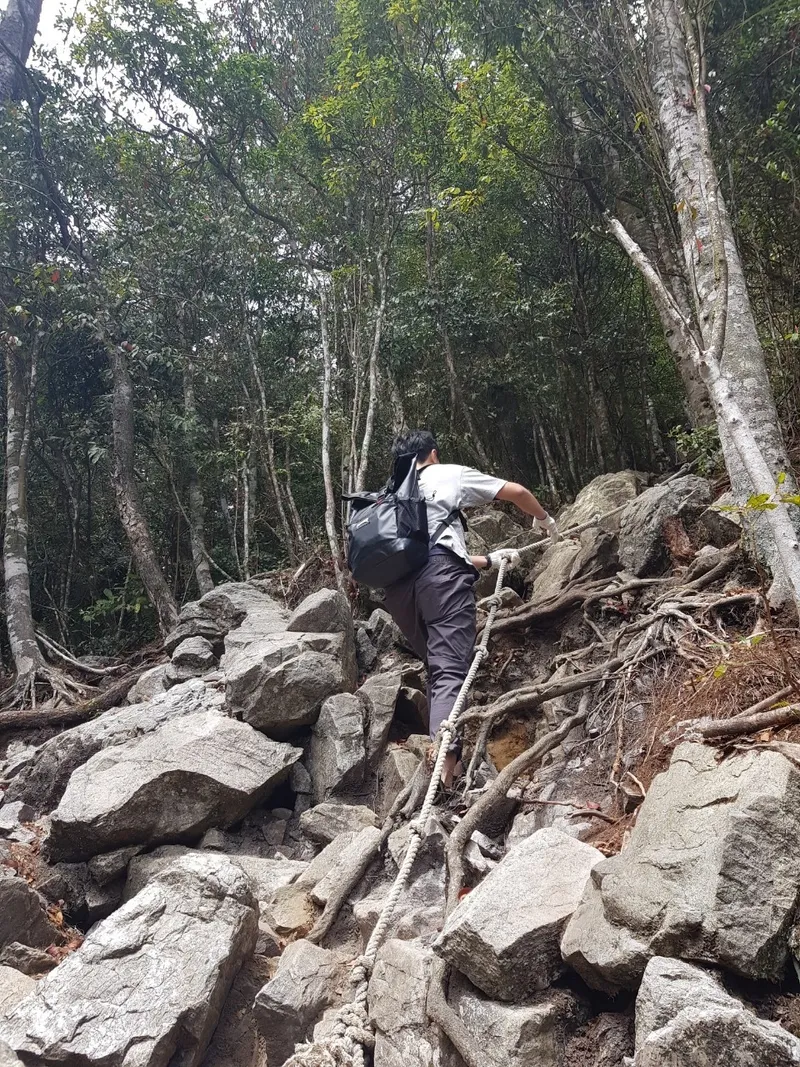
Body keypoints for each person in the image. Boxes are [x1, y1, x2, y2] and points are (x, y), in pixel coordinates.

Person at [381, 430, 560, 787]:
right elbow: (518, 493)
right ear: (432, 454)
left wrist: (489, 561)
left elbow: (425, 551)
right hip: (441, 579)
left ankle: (454, 771)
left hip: (398, 590)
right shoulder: (444, 473)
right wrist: (544, 520)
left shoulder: (390, 494)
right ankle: (443, 780)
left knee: (438, 668)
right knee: (449, 671)